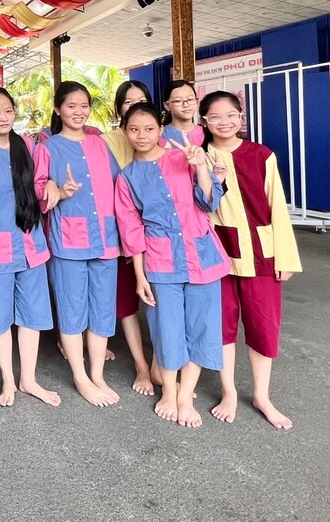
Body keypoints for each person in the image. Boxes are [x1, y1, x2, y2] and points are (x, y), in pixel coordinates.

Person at [114, 103, 230, 428]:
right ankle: (168, 390)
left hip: (202, 256)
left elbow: (208, 201)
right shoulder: (127, 178)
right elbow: (132, 231)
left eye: (149, 129)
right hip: (160, 261)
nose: (141, 135)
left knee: (201, 326)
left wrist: (201, 167)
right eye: (134, 129)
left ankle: (184, 395)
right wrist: (140, 277)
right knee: (166, 327)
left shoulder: (184, 158)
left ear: (160, 129)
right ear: (125, 132)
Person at [200, 91, 302, 429]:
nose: (224, 122)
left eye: (231, 115)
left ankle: (262, 395)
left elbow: (277, 208)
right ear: (205, 122)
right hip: (219, 255)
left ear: (241, 117)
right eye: (216, 116)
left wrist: (285, 256)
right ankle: (228, 392)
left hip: (262, 254)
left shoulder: (261, 155)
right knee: (222, 325)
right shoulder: (200, 156)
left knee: (263, 326)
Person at [0, 88, 60, 408]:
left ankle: (28, 379)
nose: (3, 117)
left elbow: (41, 186)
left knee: (32, 316)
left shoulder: (29, 146)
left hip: (31, 243)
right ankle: (8, 379)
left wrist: (53, 186)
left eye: (8, 111)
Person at [34, 81, 121, 408]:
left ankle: (97, 374)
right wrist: (56, 189)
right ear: (58, 109)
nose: (79, 112)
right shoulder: (48, 148)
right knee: (71, 309)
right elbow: (38, 191)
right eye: (71, 106)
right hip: (68, 240)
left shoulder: (101, 144)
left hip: (106, 238)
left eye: (84, 105)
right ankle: (80, 377)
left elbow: (120, 186)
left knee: (102, 308)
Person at [101, 81, 156, 395]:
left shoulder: (162, 140)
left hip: (160, 237)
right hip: (122, 234)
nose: (135, 105)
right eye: (128, 102)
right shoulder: (106, 142)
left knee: (162, 303)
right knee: (127, 304)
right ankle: (141, 365)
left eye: (141, 99)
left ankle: (163, 366)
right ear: (119, 108)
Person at [162, 79, 203, 146]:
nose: (186, 105)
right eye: (178, 101)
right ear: (167, 105)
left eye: (190, 99)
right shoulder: (160, 134)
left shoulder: (206, 132)